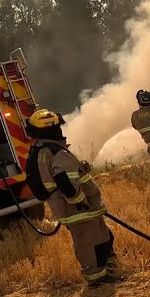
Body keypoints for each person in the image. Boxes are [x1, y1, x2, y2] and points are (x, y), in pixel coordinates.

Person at [24, 109, 123, 287]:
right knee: (90, 243)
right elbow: (66, 183)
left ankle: (106, 271)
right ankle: (97, 278)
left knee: (102, 237)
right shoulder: (56, 152)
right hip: (79, 209)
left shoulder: (42, 150)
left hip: (74, 209)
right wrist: (81, 202)